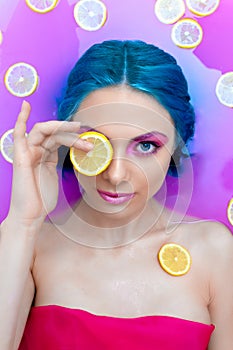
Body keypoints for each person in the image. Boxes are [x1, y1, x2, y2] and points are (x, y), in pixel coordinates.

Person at [0, 40, 232, 350]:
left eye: (146, 145)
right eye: (96, 143)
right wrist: (22, 222)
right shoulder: (29, 246)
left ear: (178, 146)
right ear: (66, 137)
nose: (116, 175)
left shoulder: (214, 250)